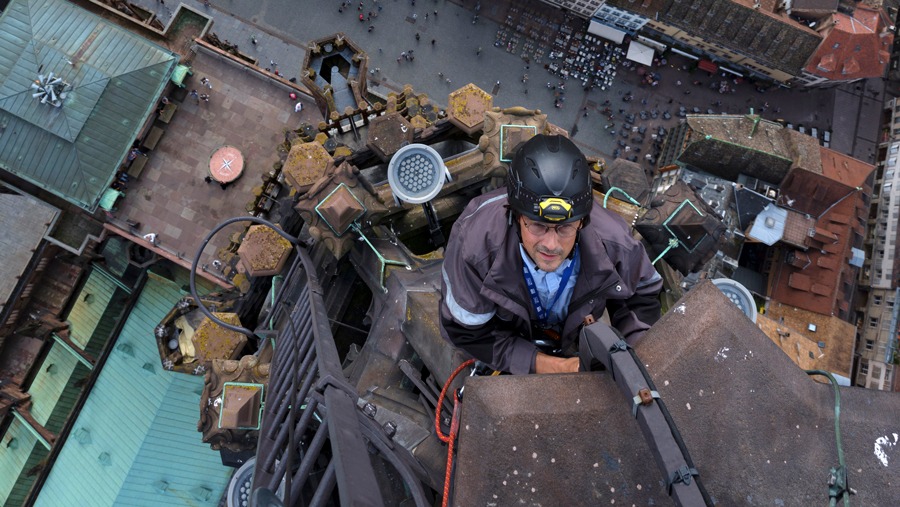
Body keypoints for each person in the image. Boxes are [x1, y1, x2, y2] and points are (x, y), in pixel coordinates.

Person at [439, 135, 662, 375]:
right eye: (537, 226)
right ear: (514, 215)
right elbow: (467, 332)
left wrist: (630, 361)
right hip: (502, 344)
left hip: (572, 342)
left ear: (583, 221)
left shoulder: (616, 242)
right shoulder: (475, 244)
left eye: (565, 228)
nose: (551, 244)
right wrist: (553, 365)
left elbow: (642, 298)